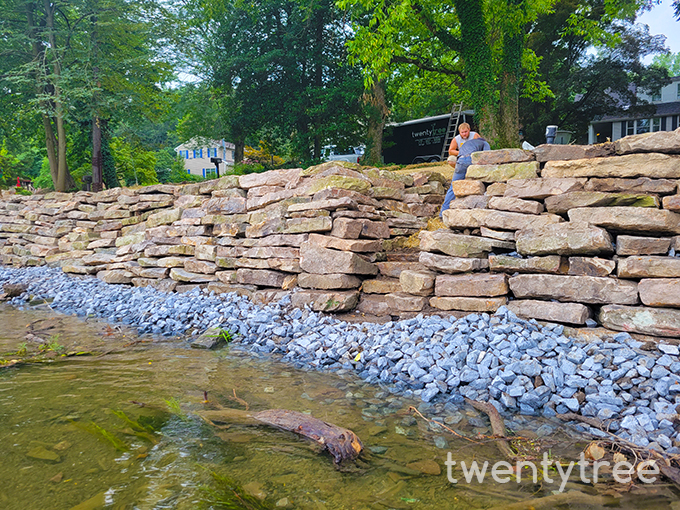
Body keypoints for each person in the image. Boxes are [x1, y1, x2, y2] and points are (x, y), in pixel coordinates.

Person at [440, 128, 490, 217]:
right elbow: (487, 155)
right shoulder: (484, 143)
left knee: (453, 187)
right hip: (471, 160)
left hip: (460, 162)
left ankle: (442, 213)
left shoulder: (466, 143)